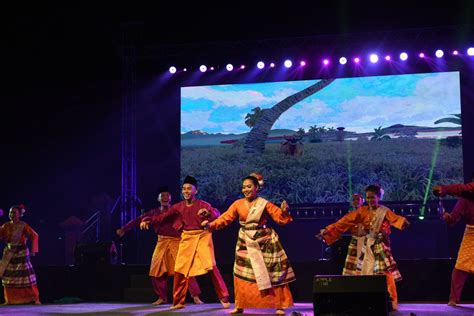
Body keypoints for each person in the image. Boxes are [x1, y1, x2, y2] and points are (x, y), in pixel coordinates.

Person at [202, 175, 295, 315]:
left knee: (272, 274)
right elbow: (225, 218)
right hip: (245, 242)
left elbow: (279, 217)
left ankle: (279, 305)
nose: (245, 189)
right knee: (240, 272)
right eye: (244, 187)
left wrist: (284, 211)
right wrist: (211, 225)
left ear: (256, 188)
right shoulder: (238, 204)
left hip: (264, 241)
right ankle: (239, 305)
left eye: (249, 186)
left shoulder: (264, 203)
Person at [140, 176, 230, 310]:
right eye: (184, 189)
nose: (186, 191)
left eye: (189, 188)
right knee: (180, 269)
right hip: (187, 237)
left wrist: (207, 214)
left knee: (210, 266)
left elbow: (217, 214)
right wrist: (148, 220)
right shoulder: (178, 207)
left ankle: (224, 297)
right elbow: (162, 217)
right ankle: (178, 302)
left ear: (196, 191)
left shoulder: (202, 204)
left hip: (202, 236)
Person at [317, 185, 409, 311]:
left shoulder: (384, 211)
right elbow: (345, 221)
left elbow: (395, 219)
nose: (370, 200)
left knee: (385, 273)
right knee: (364, 272)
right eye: (368, 198)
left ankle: (390, 301)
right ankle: (368, 302)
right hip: (367, 245)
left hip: (380, 245)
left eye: (372, 197)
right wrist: (328, 230)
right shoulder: (362, 211)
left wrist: (403, 222)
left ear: (379, 197)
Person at [116, 186, 203, 305]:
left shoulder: (176, 210)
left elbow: (188, 219)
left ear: (171, 198)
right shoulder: (153, 212)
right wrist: (124, 229)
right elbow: (138, 220)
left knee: (185, 269)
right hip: (161, 243)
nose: (165, 198)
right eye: (162, 196)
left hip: (176, 242)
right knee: (155, 270)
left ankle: (195, 296)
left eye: (167, 196)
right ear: (158, 198)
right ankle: (162, 297)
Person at [433, 180, 474, 307]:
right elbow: (453, 219)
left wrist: (444, 189)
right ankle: (453, 299)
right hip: (472, 232)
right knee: (461, 266)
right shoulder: (464, 199)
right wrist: (447, 217)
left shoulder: (467, 190)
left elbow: (462, 188)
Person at [0, 204, 40, 305]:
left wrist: (33, 250)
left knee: (26, 277)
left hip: (21, 253)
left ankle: (34, 298)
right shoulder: (6, 226)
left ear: (19, 214)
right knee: (8, 277)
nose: (11, 214)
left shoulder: (23, 225)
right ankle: (9, 300)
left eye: (14, 212)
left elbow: (34, 235)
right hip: (9, 253)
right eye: (10, 212)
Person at [342, 193, 365, 275]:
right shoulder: (350, 215)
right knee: (351, 267)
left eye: (358, 199)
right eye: (353, 200)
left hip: (365, 242)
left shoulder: (367, 213)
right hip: (354, 241)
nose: (355, 201)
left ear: (362, 201)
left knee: (363, 265)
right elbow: (341, 225)